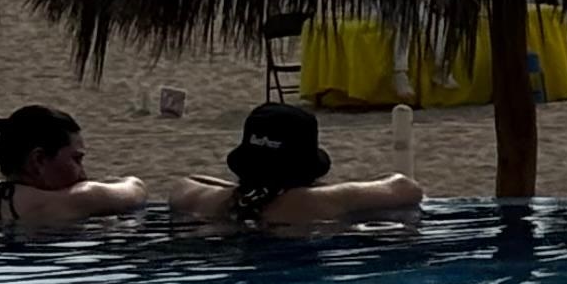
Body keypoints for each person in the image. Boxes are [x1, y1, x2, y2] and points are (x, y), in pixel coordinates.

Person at [170, 101, 427, 235]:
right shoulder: (323, 200)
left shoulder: (207, 201)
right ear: (309, 168)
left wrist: (251, 192)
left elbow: (186, 181)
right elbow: (405, 187)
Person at [0, 105, 152, 231]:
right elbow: (137, 189)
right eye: (76, 160)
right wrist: (109, 183)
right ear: (38, 160)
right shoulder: (74, 199)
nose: (83, 174)